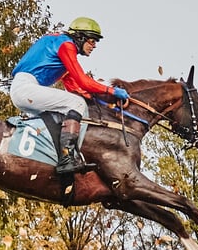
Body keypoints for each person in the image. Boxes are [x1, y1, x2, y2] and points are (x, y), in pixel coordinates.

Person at [10, 17, 129, 175]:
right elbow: (83, 80)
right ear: (80, 37)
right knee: (77, 104)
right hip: (26, 87)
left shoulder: (60, 49)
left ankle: (52, 157)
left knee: (64, 112)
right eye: (92, 41)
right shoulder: (66, 45)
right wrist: (112, 91)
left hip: (26, 90)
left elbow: (76, 88)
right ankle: (67, 159)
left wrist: (106, 103)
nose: (94, 46)